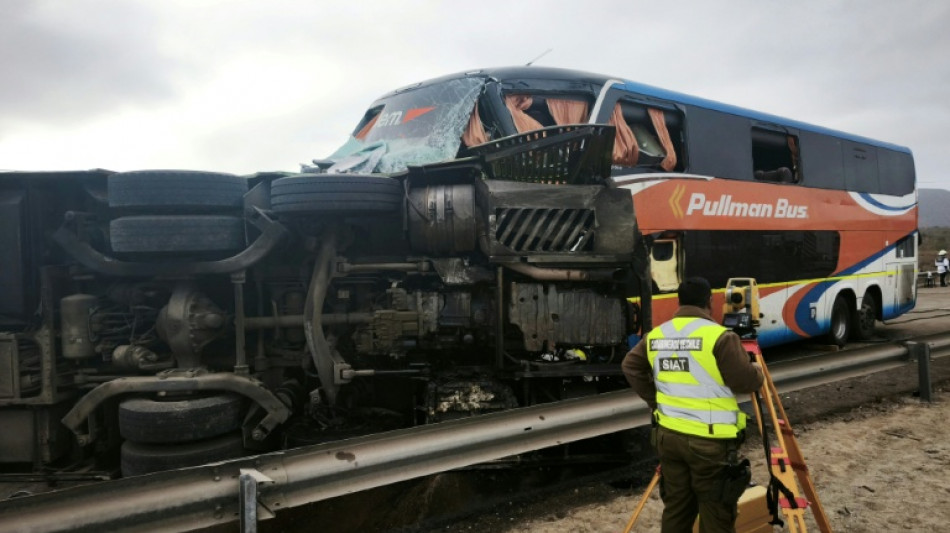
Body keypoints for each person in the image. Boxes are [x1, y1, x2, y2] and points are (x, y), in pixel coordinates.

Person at [622, 277, 764, 533]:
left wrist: (656, 401)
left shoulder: (657, 335)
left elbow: (630, 365)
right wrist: (757, 371)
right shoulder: (720, 337)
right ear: (709, 301)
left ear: (680, 301)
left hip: (668, 438)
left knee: (677, 507)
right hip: (708, 442)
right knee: (715, 510)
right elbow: (743, 381)